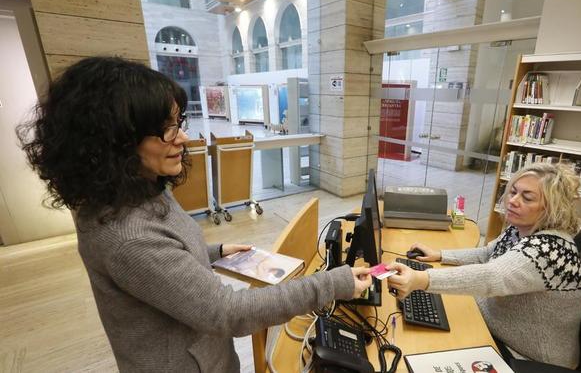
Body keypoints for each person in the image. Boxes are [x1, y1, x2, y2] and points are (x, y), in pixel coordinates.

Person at [17, 57, 372, 373]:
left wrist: (214, 252)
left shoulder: (142, 187)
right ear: (116, 140)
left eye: (178, 121)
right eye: (165, 129)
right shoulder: (127, 236)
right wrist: (332, 283)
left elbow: (164, 260)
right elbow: (227, 312)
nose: (183, 137)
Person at [387, 163, 581, 369]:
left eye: (527, 198)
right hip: (499, 326)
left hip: (530, 357)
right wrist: (440, 254)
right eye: (513, 192)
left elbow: (493, 276)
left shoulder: (549, 250)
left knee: (423, 351)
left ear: (552, 208)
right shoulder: (522, 229)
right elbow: (487, 254)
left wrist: (422, 279)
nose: (512, 201)